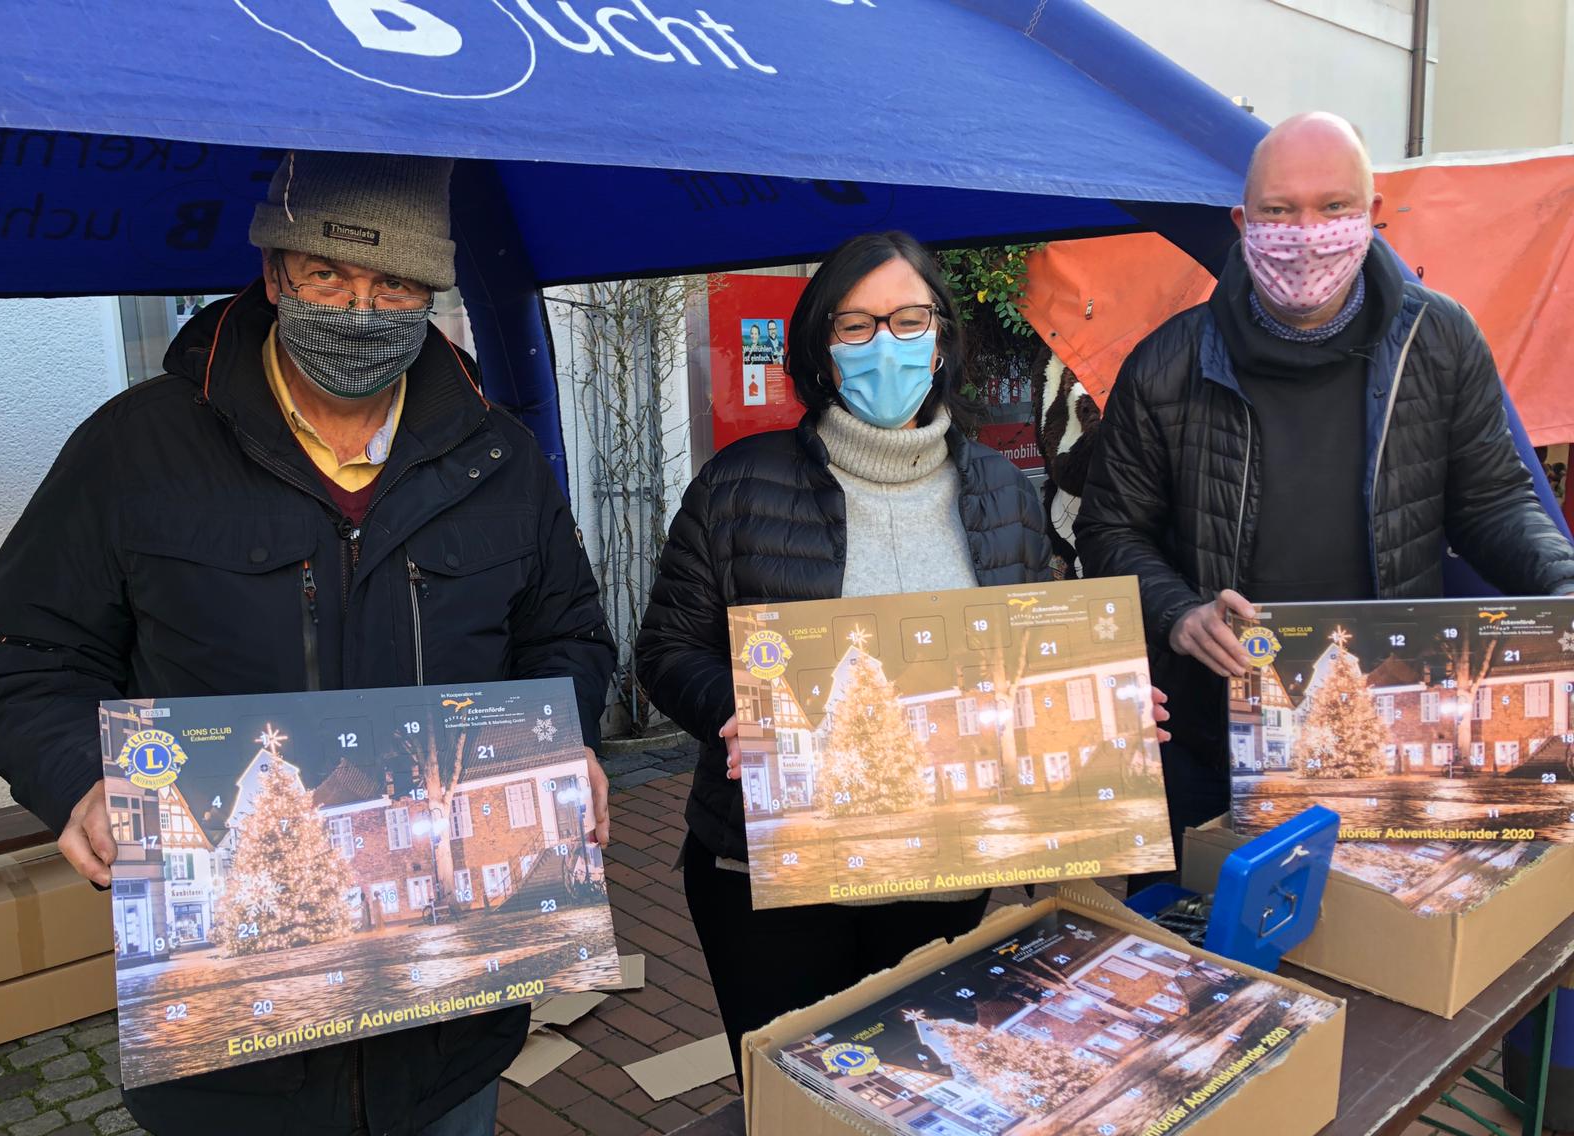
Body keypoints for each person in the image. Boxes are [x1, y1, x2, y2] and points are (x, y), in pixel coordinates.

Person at [0, 151, 616, 1136]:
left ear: (434, 289)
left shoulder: (498, 458)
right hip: (228, 1030)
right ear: (273, 273)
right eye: (327, 274)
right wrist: (77, 778)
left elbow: (569, 638)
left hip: (448, 1003)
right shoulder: (135, 450)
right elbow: (27, 651)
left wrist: (559, 743)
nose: (361, 311)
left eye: (395, 283)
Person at [635, 230, 1168, 1072]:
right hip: (770, 872)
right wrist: (733, 709)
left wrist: (1104, 711)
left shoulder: (1003, 491)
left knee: (914, 1084)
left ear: (942, 336)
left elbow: (1025, 663)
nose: (885, 344)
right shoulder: (736, 484)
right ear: (820, 347)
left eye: (908, 319)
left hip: (943, 876)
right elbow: (668, 648)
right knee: (790, 1096)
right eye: (856, 325)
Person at [1075, 111, 1574, 853]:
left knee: (1379, 916)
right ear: (1244, 222)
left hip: (1394, 729)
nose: (1306, 235)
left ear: (1372, 215)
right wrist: (1179, 613)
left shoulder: (1439, 340)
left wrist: (1562, 583)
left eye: (1333, 207)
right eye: (1279, 211)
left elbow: (1493, 499)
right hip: (1214, 738)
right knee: (1209, 919)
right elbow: (1109, 530)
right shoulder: (1166, 364)